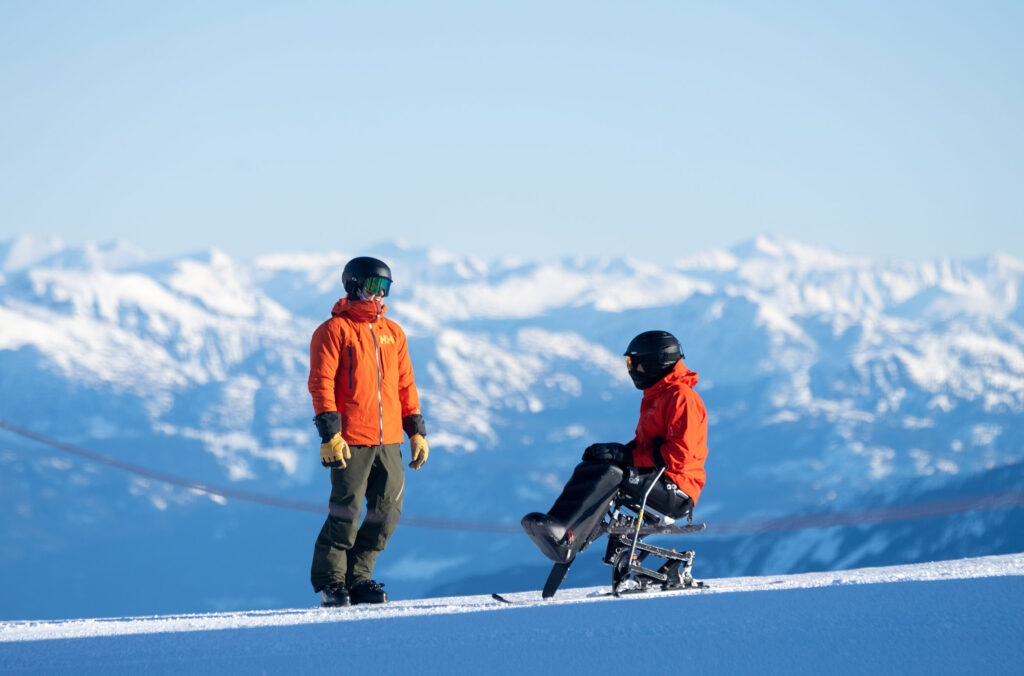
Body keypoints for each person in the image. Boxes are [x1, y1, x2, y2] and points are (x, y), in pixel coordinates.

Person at [522, 330, 708, 564]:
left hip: (677, 490)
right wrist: (613, 452)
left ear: (657, 362)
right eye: (630, 363)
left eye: (636, 363)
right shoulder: (658, 395)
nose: (633, 370)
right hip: (659, 479)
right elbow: (645, 447)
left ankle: (567, 536)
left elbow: (679, 455)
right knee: (594, 465)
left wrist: (624, 456)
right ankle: (561, 526)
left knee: (611, 473)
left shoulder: (681, 398)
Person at [307, 256, 429, 607]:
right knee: (346, 512)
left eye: (385, 288)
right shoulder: (333, 331)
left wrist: (416, 430)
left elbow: (405, 384)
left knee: (386, 514)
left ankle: (358, 577)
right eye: (374, 286)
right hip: (351, 440)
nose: (379, 295)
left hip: (388, 439)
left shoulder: (393, 333)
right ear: (353, 284)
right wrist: (330, 434)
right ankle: (332, 582)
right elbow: (321, 383)